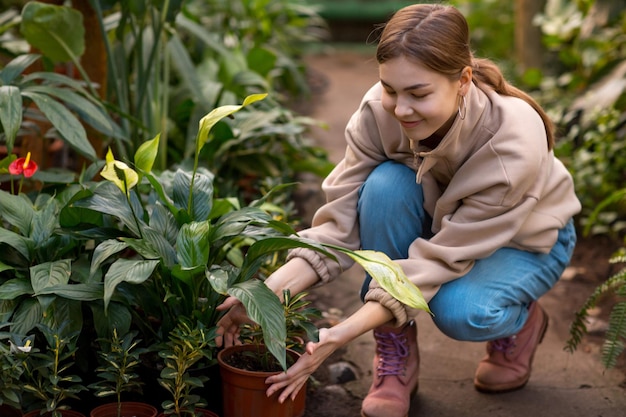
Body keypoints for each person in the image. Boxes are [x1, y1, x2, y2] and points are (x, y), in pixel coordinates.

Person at [216, 3, 581, 417]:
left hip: (525, 240)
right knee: (385, 185)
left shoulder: (511, 142)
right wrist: (266, 296)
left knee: (461, 312)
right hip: (442, 222)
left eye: (418, 94)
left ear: (462, 80)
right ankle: (396, 348)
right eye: (390, 89)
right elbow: (340, 225)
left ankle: (521, 320)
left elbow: (441, 259)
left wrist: (341, 334)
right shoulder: (380, 111)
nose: (400, 109)